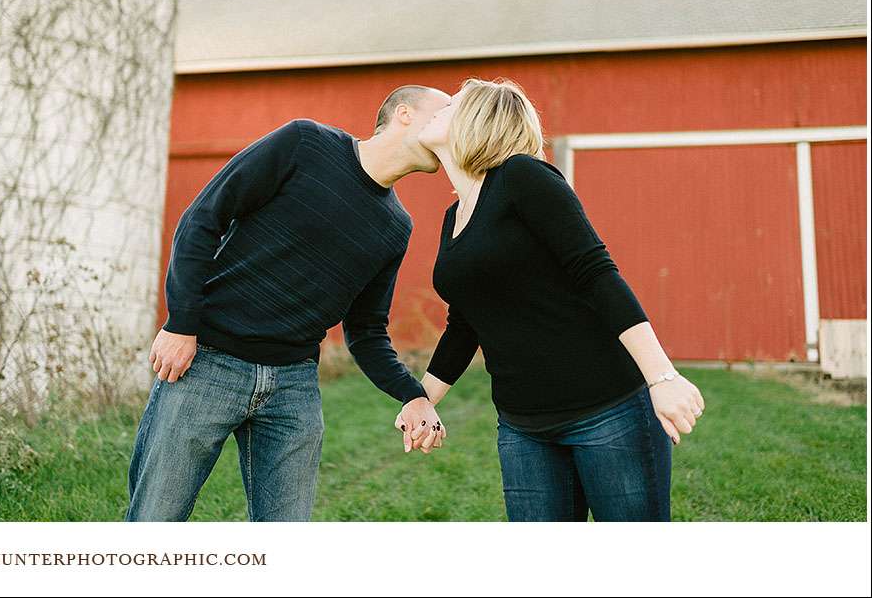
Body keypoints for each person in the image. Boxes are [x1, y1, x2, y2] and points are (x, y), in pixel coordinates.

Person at [125, 85, 452, 522]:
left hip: (293, 388)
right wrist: (182, 323)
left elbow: (367, 331)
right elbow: (203, 218)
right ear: (405, 114)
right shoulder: (305, 143)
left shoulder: (396, 226)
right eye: (446, 112)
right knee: (155, 520)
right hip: (206, 363)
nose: (453, 128)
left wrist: (413, 396)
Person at [397, 77, 706, 521]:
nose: (439, 108)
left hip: (608, 412)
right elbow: (465, 323)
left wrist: (662, 378)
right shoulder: (454, 217)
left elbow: (595, 271)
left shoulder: (523, 177)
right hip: (523, 428)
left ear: (478, 120)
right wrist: (421, 399)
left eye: (454, 103)